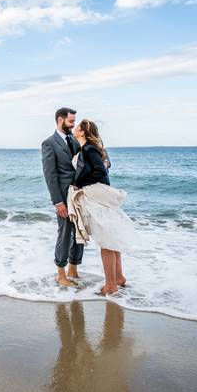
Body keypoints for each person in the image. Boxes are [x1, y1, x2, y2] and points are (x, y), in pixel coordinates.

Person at [71, 119, 137, 296]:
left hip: (96, 198)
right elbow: (102, 168)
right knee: (111, 238)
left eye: (78, 127)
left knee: (106, 241)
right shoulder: (88, 148)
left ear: (83, 132)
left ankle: (111, 285)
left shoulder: (89, 149)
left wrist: (78, 183)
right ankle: (119, 278)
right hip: (98, 196)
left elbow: (100, 172)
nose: (75, 128)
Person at [41, 107, 83, 287]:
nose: (73, 125)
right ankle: (60, 273)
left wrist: (105, 161)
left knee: (80, 232)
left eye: (74, 121)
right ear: (60, 120)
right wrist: (58, 202)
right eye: (71, 121)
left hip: (80, 195)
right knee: (65, 233)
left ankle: (73, 269)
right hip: (64, 197)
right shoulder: (49, 143)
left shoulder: (74, 139)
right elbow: (50, 175)